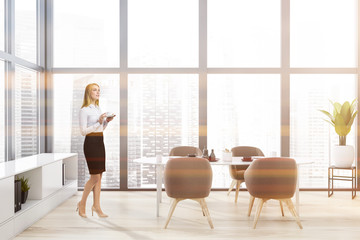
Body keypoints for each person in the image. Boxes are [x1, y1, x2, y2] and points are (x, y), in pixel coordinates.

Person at [76, 83, 115, 218]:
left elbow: (100, 129)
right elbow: (83, 132)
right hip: (91, 144)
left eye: (99, 90)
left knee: (99, 177)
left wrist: (106, 122)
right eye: (94, 90)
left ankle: (96, 206)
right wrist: (98, 122)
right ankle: (82, 203)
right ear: (88, 92)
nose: (97, 92)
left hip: (100, 142)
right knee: (94, 177)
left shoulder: (98, 108)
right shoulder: (84, 110)